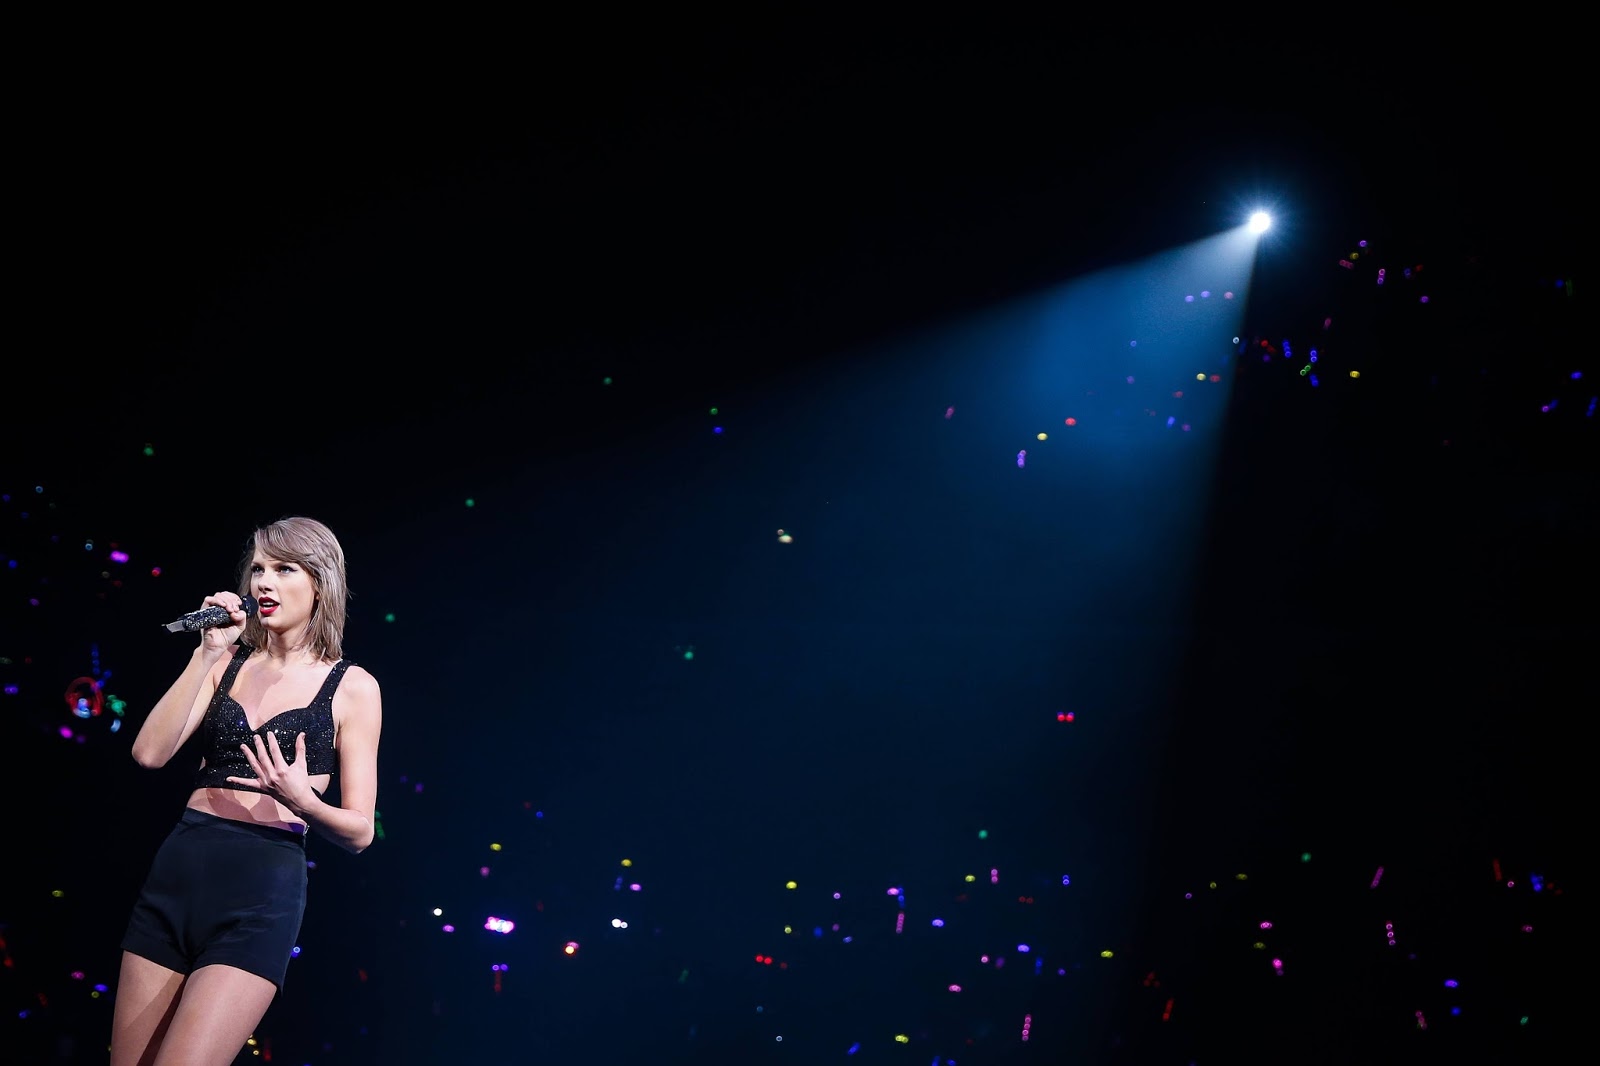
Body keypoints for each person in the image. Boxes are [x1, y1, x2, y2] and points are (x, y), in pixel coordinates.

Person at [112, 516, 383, 1066]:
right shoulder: (226, 664)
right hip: (179, 872)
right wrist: (207, 653)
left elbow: (360, 831)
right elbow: (148, 753)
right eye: (258, 569)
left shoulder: (352, 687)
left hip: (260, 892)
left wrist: (303, 801)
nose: (264, 582)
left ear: (320, 583)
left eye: (284, 569)